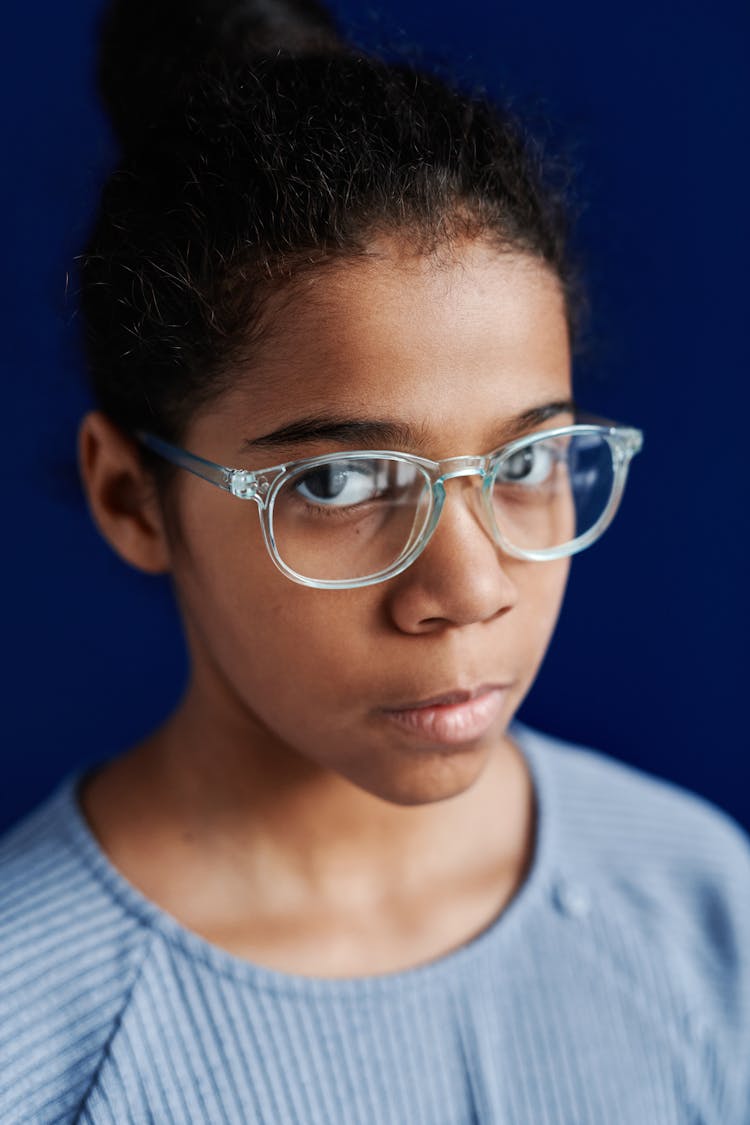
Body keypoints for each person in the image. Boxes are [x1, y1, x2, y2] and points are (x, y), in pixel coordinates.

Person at [1, 0, 748, 1121]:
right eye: (341, 483)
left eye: (527, 461)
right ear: (132, 497)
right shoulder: (37, 1026)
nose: (472, 590)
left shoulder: (698, 902)